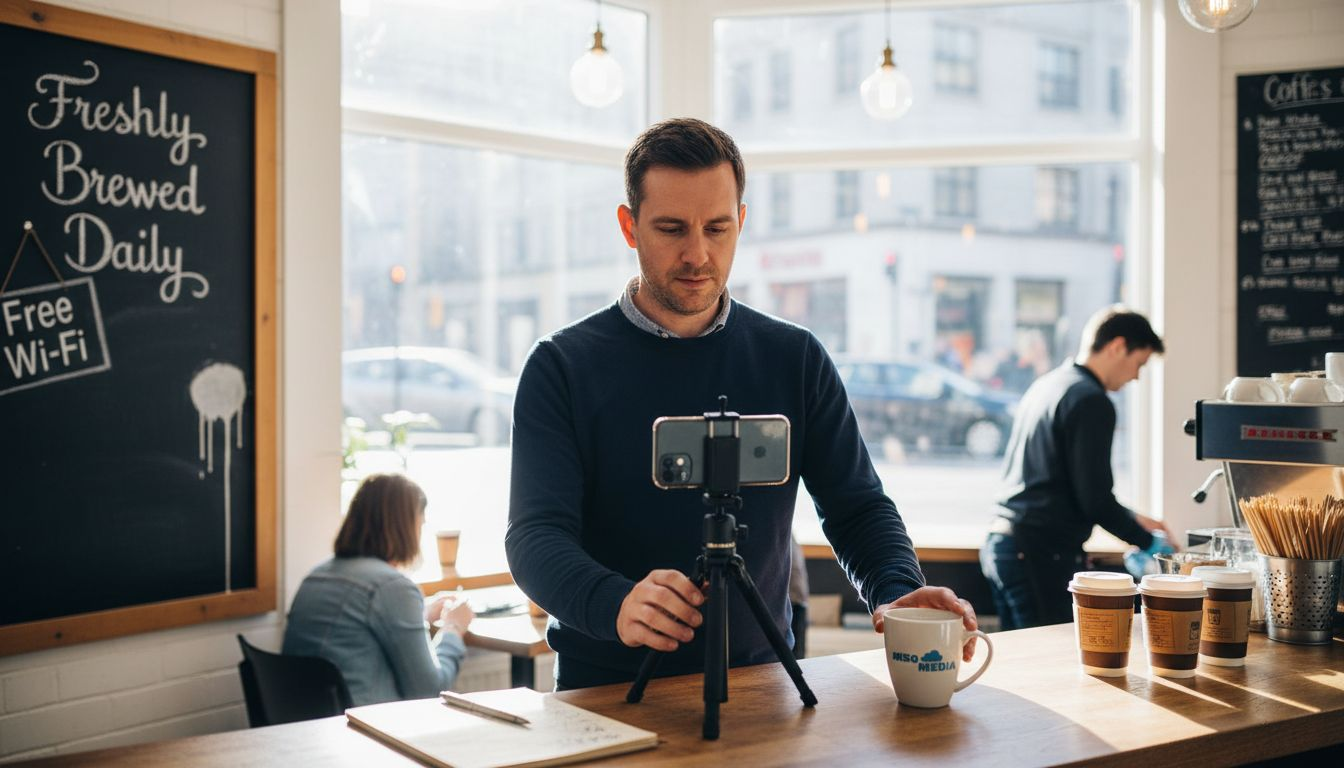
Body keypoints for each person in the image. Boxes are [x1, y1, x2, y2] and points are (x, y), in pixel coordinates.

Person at [505, 118, 976, 690]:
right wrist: (617, 602)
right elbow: (535, 538)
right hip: (604, 692)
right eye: (672, 228)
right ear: (629, 226)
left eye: (718, 228)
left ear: (742, 223)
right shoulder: (561, 366)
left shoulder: (794, 357)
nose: (697, 254)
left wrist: (898, 589)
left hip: (764, 685)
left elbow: (857, 508)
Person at [979, 306, 1172, 630]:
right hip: (1038, 553)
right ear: (1117, 347)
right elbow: (1094, 499)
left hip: (1005, 545)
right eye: (1138, 363)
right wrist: (1147, 541)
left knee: (1021, 666)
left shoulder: (1049, 384)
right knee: (1046, 667)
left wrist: (1136, 520)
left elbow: (1064, 482)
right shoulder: (1091, 400)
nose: (1136, 376)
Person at [283, 473, 474, 705]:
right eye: (420, 525)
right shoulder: (392, 587)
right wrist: (453, 627)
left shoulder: (318, 575)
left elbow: (356, 631)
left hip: (306, 725)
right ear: (406, 527)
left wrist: (421, 613)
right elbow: (429, 689)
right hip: (365, 727)